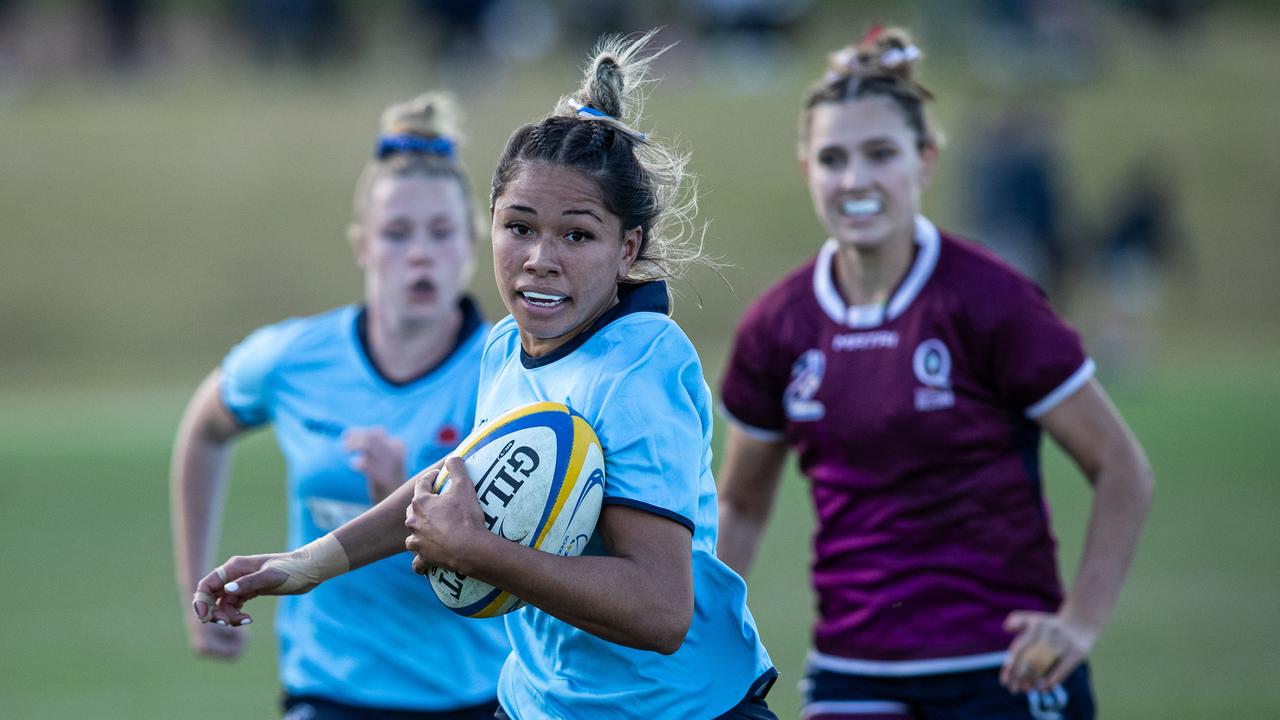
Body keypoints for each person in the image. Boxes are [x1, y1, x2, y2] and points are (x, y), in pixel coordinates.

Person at [191, 32, 779, 720]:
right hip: (540, 703)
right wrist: (309, 564)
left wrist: (480, 552)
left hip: (678, 709)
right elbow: (457, 477)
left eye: (578, 235)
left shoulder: (640, 367)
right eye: (520, 227)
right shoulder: (505, 348)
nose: (540, 258)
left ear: (628, 250)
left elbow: (660, 611)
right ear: (490, 227)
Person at [715, 27, 1154, 720]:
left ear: (925, 160)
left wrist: (1079, 624)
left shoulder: (990, 301)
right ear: (806, 169)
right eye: (833, 158)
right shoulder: (780, 323)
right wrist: (704, 648)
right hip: (851, 674)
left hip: (1004, 670)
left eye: (880, 154)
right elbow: (739, 507)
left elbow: (1122, 468)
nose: (855, 179)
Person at [171, 91, 510, 720]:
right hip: (327, 693)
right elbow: (203, 429)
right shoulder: (296, 358)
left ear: (471, 244)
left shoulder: (511, 374)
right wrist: (191, 587)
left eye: (440, 232)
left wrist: (408, 513)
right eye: (396, 232)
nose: (418, 252)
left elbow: (517, 565)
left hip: (476, 695)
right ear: (361, 245)